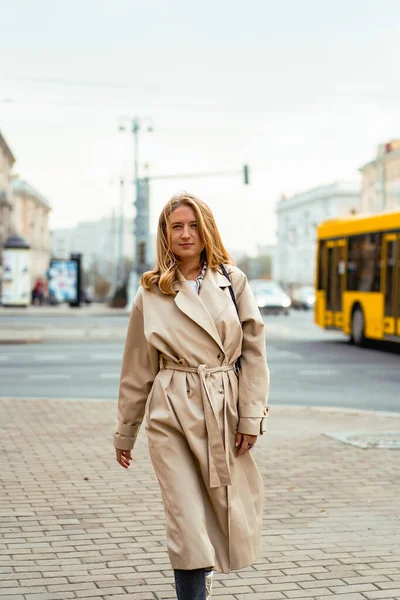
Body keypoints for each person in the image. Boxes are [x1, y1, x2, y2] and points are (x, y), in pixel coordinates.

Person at [113, 192, 270, 600]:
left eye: (193, 224)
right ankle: (194, 587)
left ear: (206, 229)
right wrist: (126, 431)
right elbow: (137, 368)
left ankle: (203, 574)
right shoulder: (151, 291)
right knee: (185, 523)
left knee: (225, 511)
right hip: (171, 413)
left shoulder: (233, 282)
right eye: (176, 226)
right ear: (165, 234)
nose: (186, 234)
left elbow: (254, 353)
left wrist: (251, 417)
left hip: (223, 409)